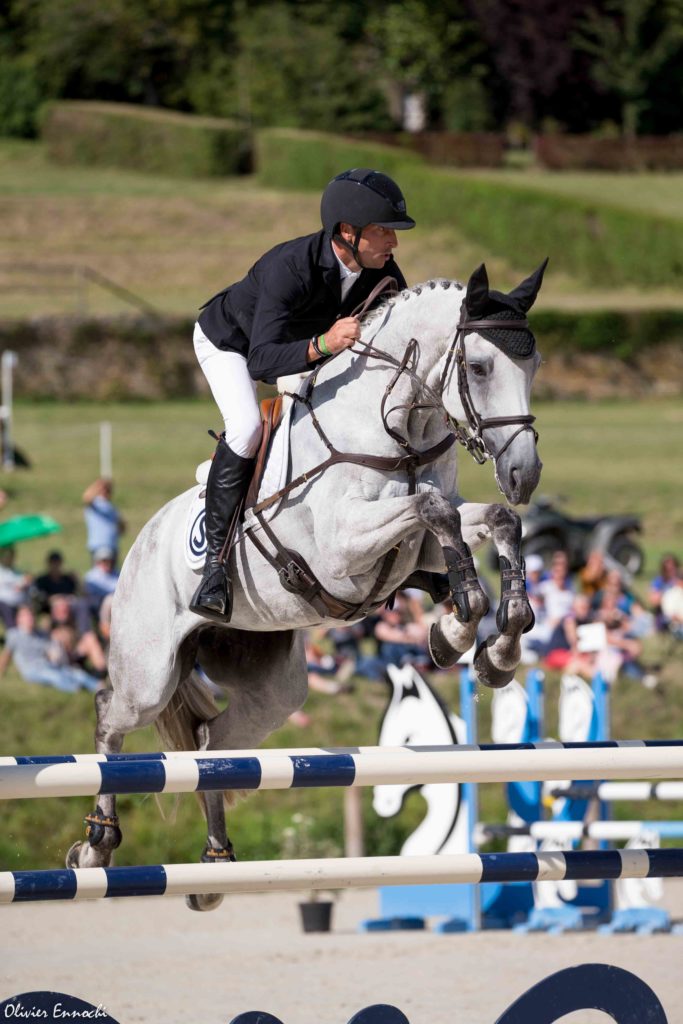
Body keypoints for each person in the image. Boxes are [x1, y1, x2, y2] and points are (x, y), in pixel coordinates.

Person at [191, 168, 415, 622]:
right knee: (248, 427)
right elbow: (263, 362)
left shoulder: (383, 273)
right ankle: (214, 567)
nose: (393, 243)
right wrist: (324, 345)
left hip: (300, 352)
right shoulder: (288, 267)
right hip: (232, 345)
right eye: (383, 232)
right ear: (347, 233)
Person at [0, 605, 100, 693]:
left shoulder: (41, 634)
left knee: (75, 672)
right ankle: (75, 689)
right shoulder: (14, 635)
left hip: (48, 664)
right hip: (31, 669)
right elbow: (6, 656)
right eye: (26, 616)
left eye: (31, 615)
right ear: (19, 619)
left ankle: (98, 686)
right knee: (53, 675)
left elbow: (52, 651)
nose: (29, 618)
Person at [82, 478, 126, 565]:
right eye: (104, 490)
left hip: (112, 546)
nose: (106, 492)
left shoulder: (112, 508)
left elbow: (122, 529)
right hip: (99, 546)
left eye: (108, 490)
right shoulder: (95, 504)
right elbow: (86, 497)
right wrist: (99, 484)